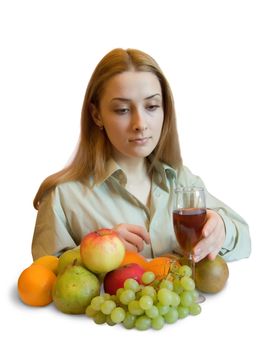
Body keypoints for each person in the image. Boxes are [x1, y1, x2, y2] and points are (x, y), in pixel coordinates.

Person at [31, 48, 251, 262]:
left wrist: (222, 227)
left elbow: (245, 242)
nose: (140, 124)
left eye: (152, 106)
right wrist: (99, 250)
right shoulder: (62, 196)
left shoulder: (181, 180)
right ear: (97, 115)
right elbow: (44, 279)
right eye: (123, 110)